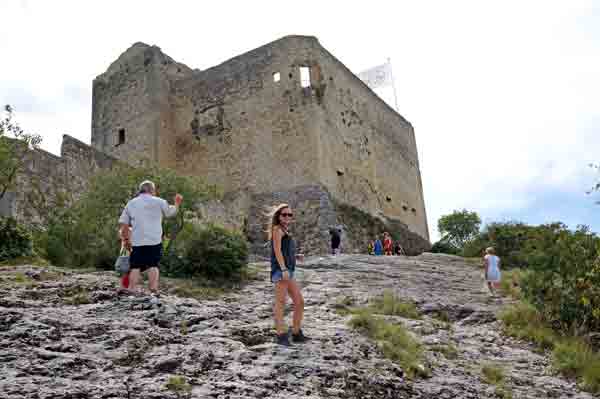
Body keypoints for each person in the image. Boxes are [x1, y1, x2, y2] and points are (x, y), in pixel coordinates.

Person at [119, 180, 183, 298]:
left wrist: (126, 240)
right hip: (154, 240)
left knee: (135, 266)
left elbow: (124, 225)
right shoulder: (159, 201)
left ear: (141, 190)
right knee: (153, 265)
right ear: (152, 190)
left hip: (137, 240)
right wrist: (177, 203)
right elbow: (170, 213)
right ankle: (153, 290)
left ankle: (132, 289)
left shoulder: (131, 203)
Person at [268, 203, 309, 346]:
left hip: (287, 270)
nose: (287, 217)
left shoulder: (285, 231)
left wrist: (296, 256)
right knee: (281, 302)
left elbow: (285, 251)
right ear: (278, 216)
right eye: (284, 214)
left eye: (289, 215)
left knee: (299, 301)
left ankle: (296, 333)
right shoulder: (277, 229)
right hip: (281, 271)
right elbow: (277, 251)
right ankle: (281, 335)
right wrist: (284, 269)